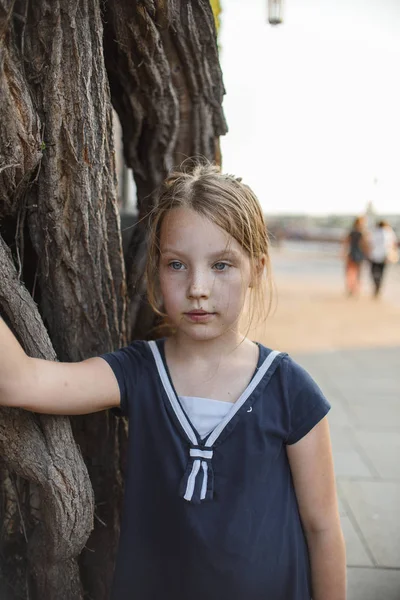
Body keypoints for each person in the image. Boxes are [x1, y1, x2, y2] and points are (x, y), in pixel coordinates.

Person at [0, 162, 346, 600]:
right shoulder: (139, 372)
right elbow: (21, 382)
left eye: (222, 265)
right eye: (177, 264)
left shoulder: (290, 390)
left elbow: (323, 528)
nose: (198, 287)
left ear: (257, 269)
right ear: (156, 271)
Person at [368, 220, 398, 297]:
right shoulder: (389, 232)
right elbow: (393, 244)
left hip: (374, 255)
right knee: (382, 273)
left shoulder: (374, 232)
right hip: (385, 255)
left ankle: (376, 283)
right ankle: (379, 285)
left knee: (373, 272)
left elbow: (369, 243)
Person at [343, 216, 368, 297]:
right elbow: (365, 244)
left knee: (349, 272)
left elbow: (345, 242)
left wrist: (344, 252)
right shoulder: (363, 232)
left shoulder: (351, 232)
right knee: (358, 273)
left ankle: (351, 288)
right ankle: (355, 288)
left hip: (352, 253)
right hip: (359, 254)